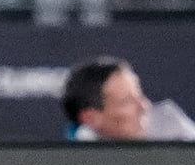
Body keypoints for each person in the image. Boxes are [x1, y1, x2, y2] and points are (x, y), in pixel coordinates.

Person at [62, 57, 195, 142]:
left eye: (140, 96)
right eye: (126, 102)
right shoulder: (77, 157)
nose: (144, 107)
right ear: (91, 118)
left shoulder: (172, 129)